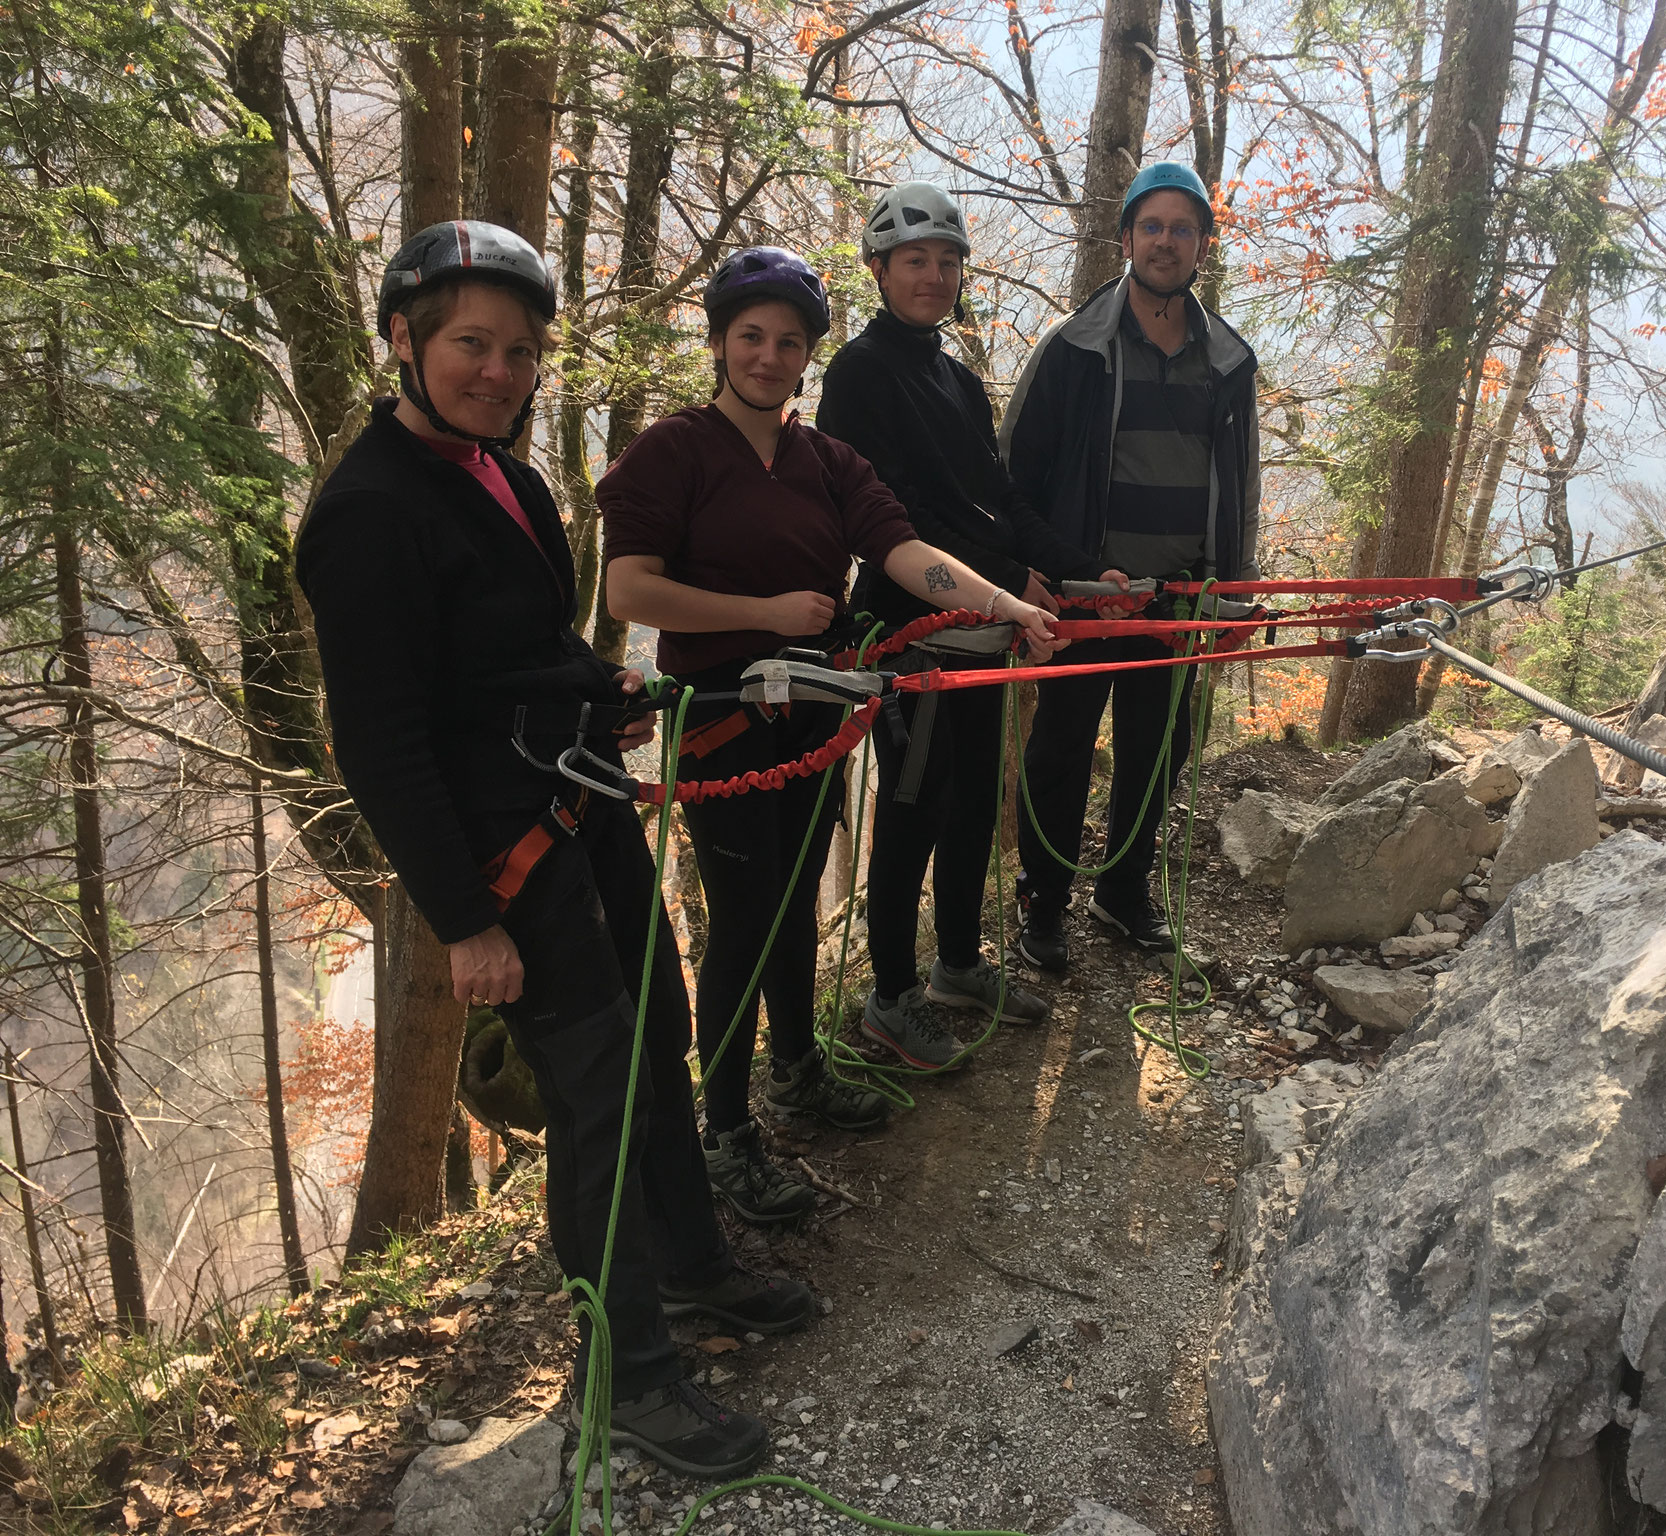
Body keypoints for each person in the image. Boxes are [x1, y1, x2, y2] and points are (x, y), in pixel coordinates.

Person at [296, 221, 804, 1479]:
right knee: (600, 1093)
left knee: (663, 1031)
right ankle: (627, 1374)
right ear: (404, 339)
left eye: (520, 350)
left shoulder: (504, 474)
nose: (499, 370)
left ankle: (689, 1268)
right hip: (501, 855)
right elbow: (381, 743)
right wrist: (463, 921)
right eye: (471, 343)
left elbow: (524, 645)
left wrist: (600, 694)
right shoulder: (364, 515)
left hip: (574, 800)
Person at [599, 247, 1064, 1223]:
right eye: (751, 337)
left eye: (788, 342)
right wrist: (767, 611)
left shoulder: (824, 462)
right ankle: (723, 1133)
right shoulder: (673, 452)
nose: (768, 357)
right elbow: (629, 588)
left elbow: (904, 553)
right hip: (721, 725)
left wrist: (999, 605)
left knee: (793, 907)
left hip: (810, 719)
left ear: (808, 356)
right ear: (721, 342)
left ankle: (796, 1068)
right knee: (741, 922)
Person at [814, 183, 1132, 1063]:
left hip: (980, 628)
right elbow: (890, 514)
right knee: (913, 812)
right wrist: (1008, 587)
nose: (935, 276)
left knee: (964, 808)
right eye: (916, 260)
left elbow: (999, 502)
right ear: (880, 270)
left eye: (948, 261)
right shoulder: (859, 373)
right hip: (911, 634)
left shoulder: (956, 376)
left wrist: (1073, 569)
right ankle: (888, 996)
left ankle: (955, 962)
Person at [999, 164, 1261, 971]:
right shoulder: (1074, 349)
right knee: (1060, 749)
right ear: (1126, 241)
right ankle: (1043, 903)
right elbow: (1013, 478)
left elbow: (1240, 482)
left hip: (1179, 598)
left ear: (1202, 248)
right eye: (1152, 226)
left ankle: (1121, 891)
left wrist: (1234, 590)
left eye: (1184, 229)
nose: (1166, 241)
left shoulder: (1226, 362)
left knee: (1160, 748)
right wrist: (1029, 577)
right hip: (1085, 597)